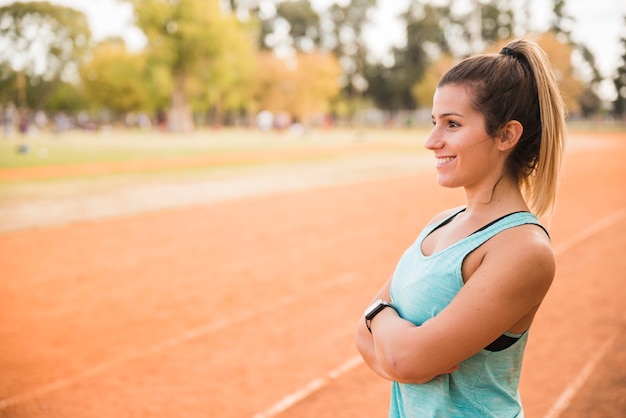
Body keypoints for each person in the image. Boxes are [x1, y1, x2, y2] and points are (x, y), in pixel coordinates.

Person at [355, 36, 566, 417]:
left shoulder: (522, 249)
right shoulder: (439, 224)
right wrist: (387, 330)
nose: (431, 141)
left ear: (506, 135)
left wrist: (379, 320)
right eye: (435, 122)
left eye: (452, 124)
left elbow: (403, 361)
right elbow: (365, 339)